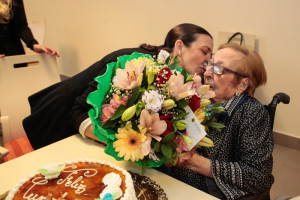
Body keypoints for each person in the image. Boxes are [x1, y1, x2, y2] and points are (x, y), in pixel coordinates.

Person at [23, 23, 213, 149]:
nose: (207, 61)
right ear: (179, 47)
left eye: (211, 57)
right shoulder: (134, 63)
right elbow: (76, 111)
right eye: (205, 52)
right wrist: (123, 145)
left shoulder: (179, 83)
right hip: (59, 132)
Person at [170, 43, 274, 199]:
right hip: (176, 186)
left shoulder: (251, 112)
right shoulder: (196, 98)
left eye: (219, 69)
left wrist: (196, 163)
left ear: (242, 84)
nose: (208, 73)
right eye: (209, 64)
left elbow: (259, 177)